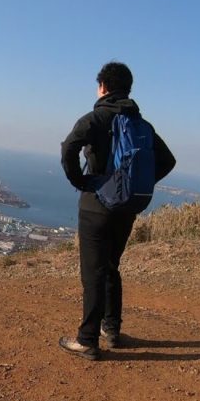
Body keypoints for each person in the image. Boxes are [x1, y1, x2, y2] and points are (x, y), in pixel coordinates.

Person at [59, 61, 176, 360]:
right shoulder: (142, 125)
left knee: (93, 273)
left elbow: (69, 148)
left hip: (96, 206)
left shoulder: (97, 118)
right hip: (126, 208)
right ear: (128, 88)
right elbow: (168, 160)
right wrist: (134, 184)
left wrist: (82, 181)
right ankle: (110, 329)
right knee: (111, 266)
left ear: (102, 87)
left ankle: (87, 340)